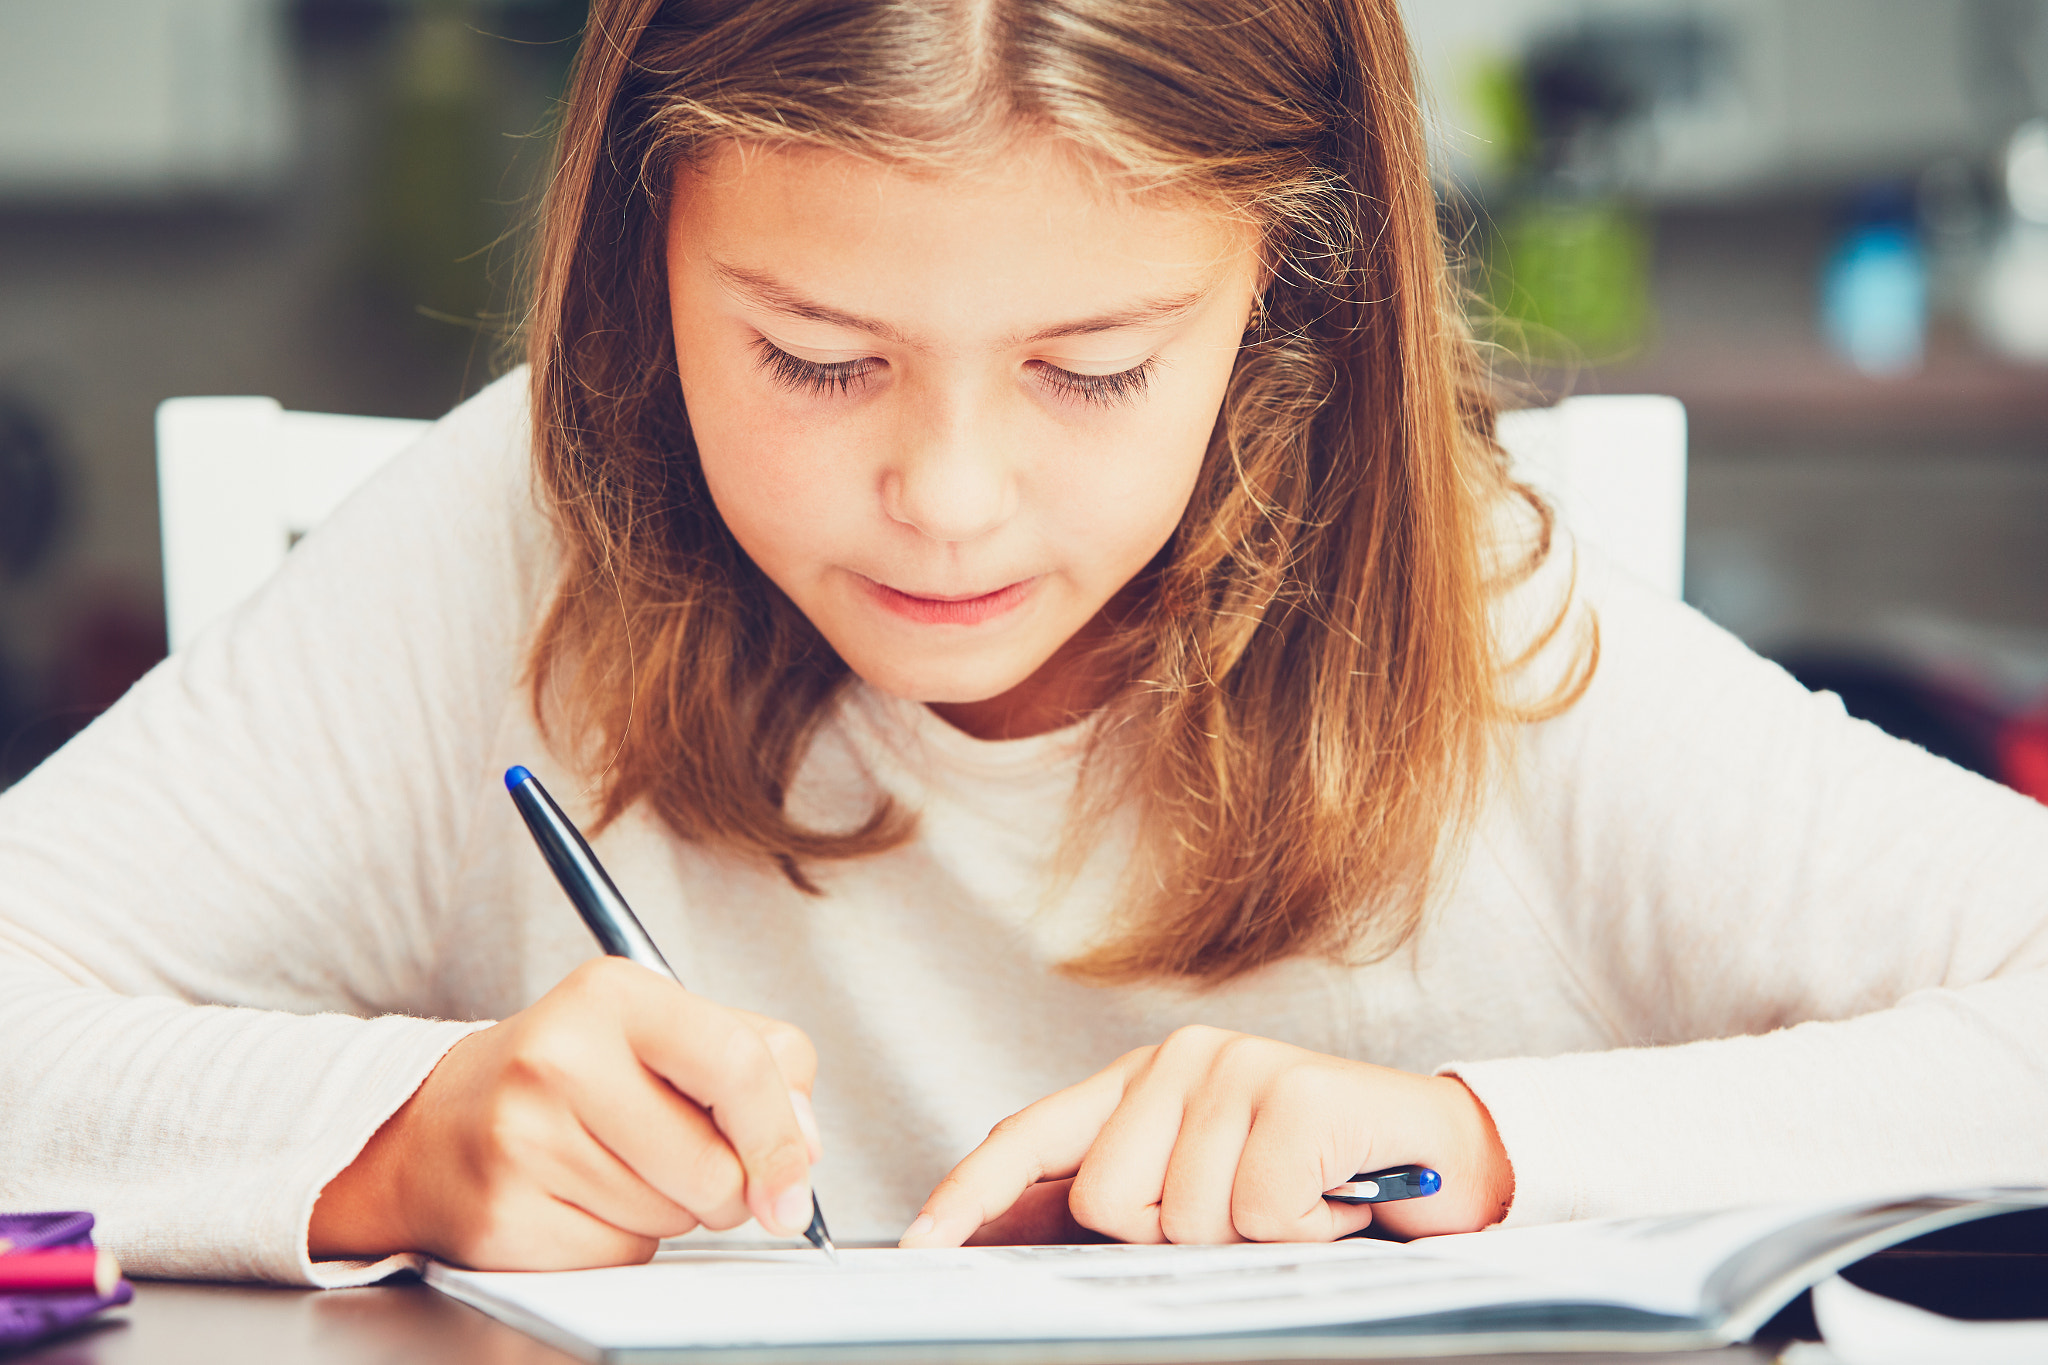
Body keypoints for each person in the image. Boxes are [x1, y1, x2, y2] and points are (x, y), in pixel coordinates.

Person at [3, 0, 2045, 1287]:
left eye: (1090, 370)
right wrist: (396, 1140)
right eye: (815, 358)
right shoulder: (516, 529)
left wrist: (1464, 1135)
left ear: (1285, 300)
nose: (948, 497)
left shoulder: (1478, 625)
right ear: (642, 266)